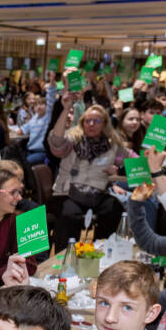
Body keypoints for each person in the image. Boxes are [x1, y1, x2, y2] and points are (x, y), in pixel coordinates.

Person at [48, 101, 130, 242]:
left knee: (114, 209)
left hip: (96, 195)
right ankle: (64, 257)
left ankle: (101, 249)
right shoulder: (72, 140)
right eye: (88, 121)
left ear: (104, 124)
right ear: (82, 123)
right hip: (67, 193)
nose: (91, 124)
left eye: (96, 121)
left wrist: (120, 169)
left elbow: (132, 162)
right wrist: (66, 107)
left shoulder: (112, 144)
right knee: (70, 215)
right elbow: (56, 141)